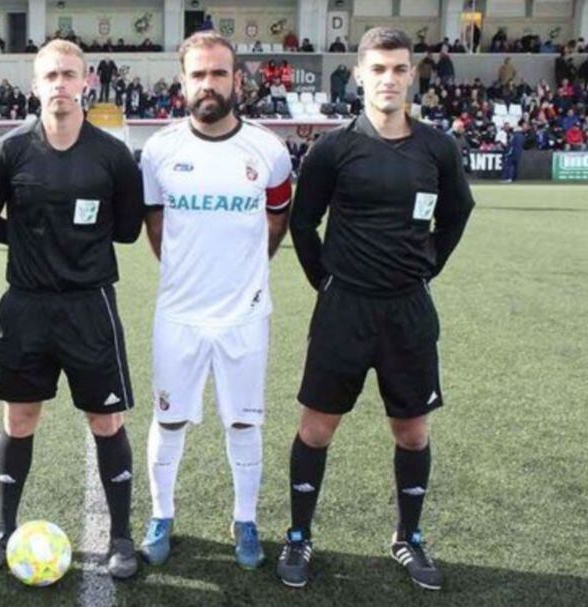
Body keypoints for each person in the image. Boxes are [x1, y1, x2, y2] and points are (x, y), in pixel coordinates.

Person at [276, 27, 474, 591]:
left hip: (408, 312)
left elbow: (457, 213)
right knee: (316, 428)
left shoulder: (437, 147)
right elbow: (303, 221)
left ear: (412, 75)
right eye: (379, 69)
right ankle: (298, 536)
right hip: (345, 311)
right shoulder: (333, 148)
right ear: (359, 75)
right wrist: (326, 282)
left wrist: (429, 266)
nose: (389, 79)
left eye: (399, 69)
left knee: (412, 432)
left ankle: (408, 538)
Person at [0, 39, 145, 579]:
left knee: (106, 418)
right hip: (26, 307)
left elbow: (129, 230)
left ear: (87, 81)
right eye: (51, 76)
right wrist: (28, 243)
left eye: (70, 74)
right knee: (20, 419)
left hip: (90, 306)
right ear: (35, 84)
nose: (60, 85)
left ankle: (119, 536)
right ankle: (2, 526)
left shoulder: (112, 155)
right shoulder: (11, 150)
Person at [137, 31, 293, 570]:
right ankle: (162, 514)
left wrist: (247, 272)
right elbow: (155, 223)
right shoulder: (159, 151)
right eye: (198, 74)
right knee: (170, 419)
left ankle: (245, 519)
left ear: (237, 80)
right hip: (178, 315)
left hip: (245, 316)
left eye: (219, 73)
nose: (209, 83)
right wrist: (186, 273)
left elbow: (278, 220)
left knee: (244, 422)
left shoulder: (269, 152)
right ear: (183, 82)